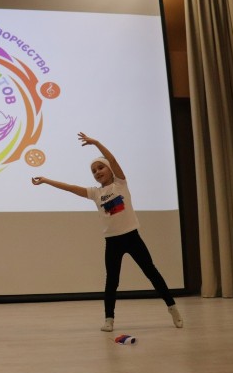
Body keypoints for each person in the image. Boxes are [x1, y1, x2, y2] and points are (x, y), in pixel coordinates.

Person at [31, 132, 183, 332]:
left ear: (110, 169)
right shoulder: (96, 193)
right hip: (112, 242)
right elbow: (71, 188)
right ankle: (109, 319)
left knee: (151, 272)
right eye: (93, 171)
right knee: (112, 281)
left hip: (132, 237)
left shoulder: (120, 183)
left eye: (100, 167)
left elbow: (113, 159)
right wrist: (46, 180)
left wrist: (96, 143)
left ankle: (173, 309)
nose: (97, 172)